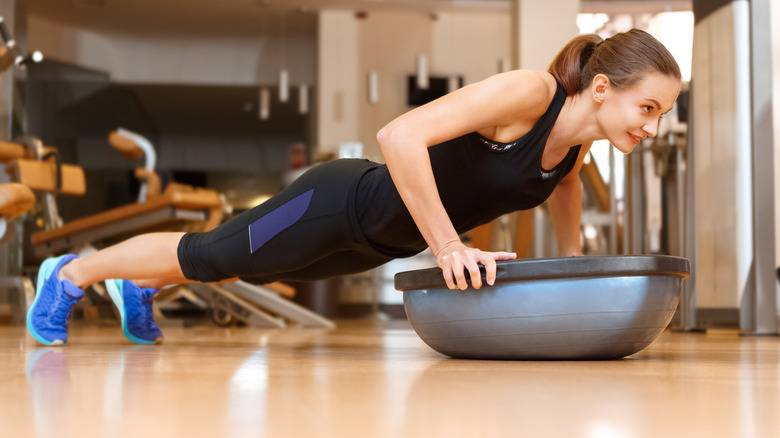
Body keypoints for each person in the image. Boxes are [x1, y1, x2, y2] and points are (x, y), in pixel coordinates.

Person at [26, 28, 682, 346]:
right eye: (648, 108)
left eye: (663, 114)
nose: (653, 126)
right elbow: (399, 136)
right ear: (602, 88)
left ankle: (137, 283)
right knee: (211, 254)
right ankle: (72, 272)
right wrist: (450, 247)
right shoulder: (530, 94)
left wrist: (575, 270)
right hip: (340, 202)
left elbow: (558, 187)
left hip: (373, 244)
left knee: (230, 269)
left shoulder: (572, 153)